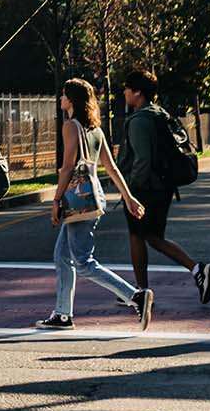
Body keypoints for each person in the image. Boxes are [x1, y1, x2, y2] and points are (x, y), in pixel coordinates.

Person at [39, 79, 153, 331]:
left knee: (83, 262)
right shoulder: (96, 130)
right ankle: (62, 314)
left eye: (64, 94)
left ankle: (135, 296)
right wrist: (128, 197)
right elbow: (111, 168)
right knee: (62, 256)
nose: (60, 99)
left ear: (72, 100)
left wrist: (56, 200)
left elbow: (68, 166)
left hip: (77, 201)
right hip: (93, 197)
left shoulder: (70, 126)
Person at [117, 69, 210, 304]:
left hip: (145, 189)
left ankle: (141, 291)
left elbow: (142, 159)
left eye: (127, 88)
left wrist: (130, 190)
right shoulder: (159, 114)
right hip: (162, 186)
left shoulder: (140, 120)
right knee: (152, 237)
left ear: (137, 92)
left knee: (137, 235)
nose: (124, 92)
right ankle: (197, 270)